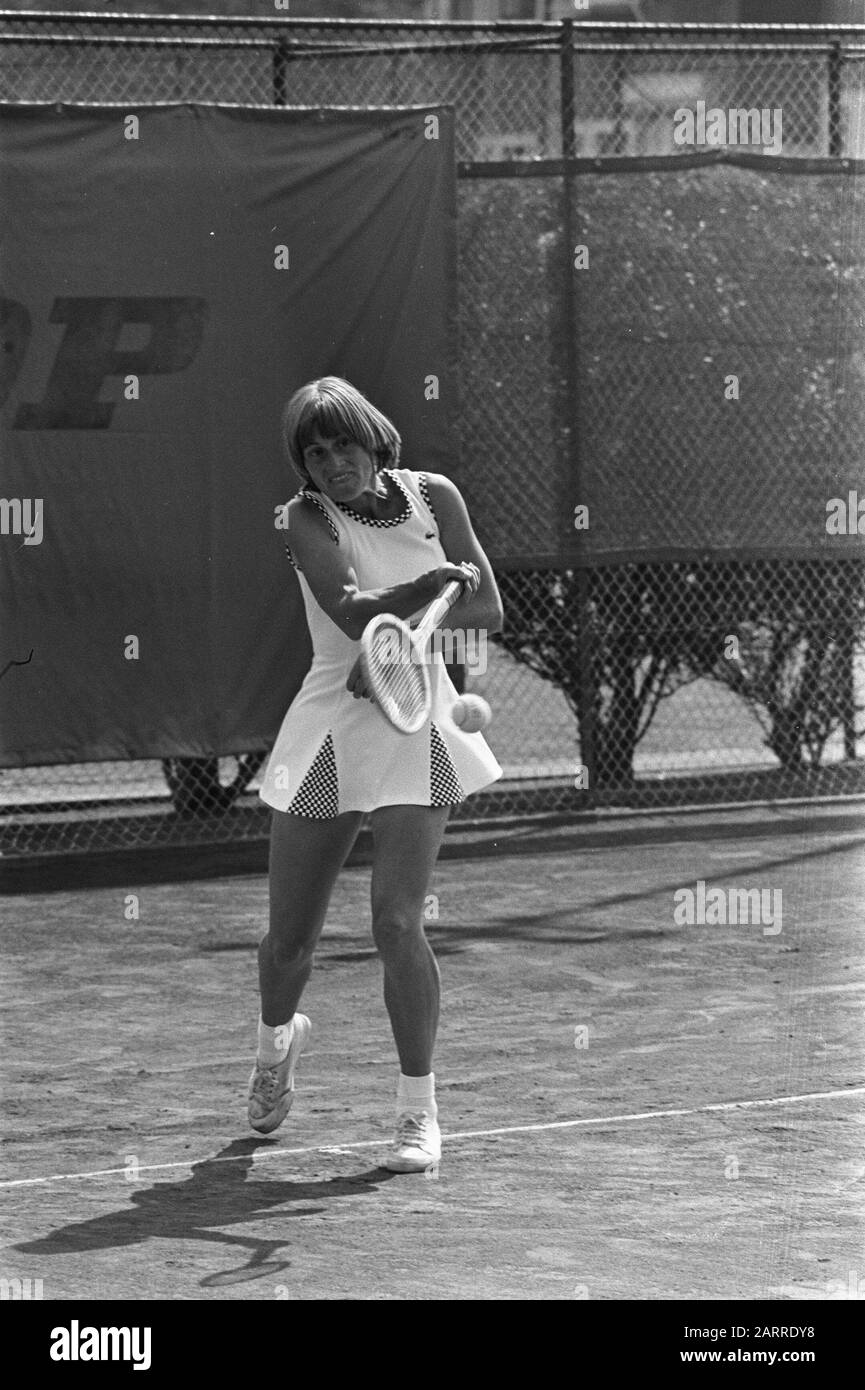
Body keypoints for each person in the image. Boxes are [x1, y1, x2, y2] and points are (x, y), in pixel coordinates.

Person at [250, 377, 504, 1172]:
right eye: (314, 453)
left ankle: (416, 1114)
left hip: (416, 721)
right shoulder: (304, 517)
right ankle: (273, 1048)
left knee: (396, 922)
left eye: (344, 446)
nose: (332, 464)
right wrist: (428, 589)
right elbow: (355, 610)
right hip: (331, 725)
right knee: (290, 942)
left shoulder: (433, 497)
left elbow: (487, 606)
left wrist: (425, 621)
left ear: (374, 440)